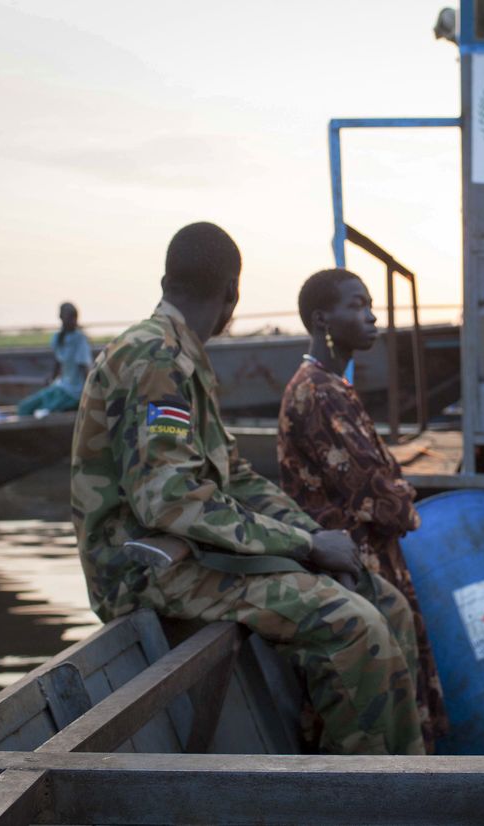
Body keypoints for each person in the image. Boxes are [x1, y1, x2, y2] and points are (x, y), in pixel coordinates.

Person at [71, 222, 424, 756]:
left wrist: (315, 535)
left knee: (384, 601)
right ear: (232, 295)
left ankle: (405, 775)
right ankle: (369, 797)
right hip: (143, 572)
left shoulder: (182, 355)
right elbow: (168, 498)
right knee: (353, 625)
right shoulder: (155, 358)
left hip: (192, 555)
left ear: (167, 280)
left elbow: (233, 477)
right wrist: (305, 547)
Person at [278, 268, 450, 751]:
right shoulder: (318, 391)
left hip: (371, 559)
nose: (372, 314)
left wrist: (396, 493)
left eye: (369, 303)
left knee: (396, 694)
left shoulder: (334, 384)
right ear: (321, 319)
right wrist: (403, 501)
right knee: (376, 706)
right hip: (356, 568)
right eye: (356, 304)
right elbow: (379, 493)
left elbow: (382, 481)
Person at [18, 302, 92, 416]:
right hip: (62, 387)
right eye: (70, 317)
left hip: (74, 393)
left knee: (38, 411)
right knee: (24, 407)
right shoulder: (58, 338)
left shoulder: (80, 339)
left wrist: (88, 395)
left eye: (74, 317)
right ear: (61, 318)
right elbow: (58, 361)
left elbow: (84, 367)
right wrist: (52, 379)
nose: (73, 321)